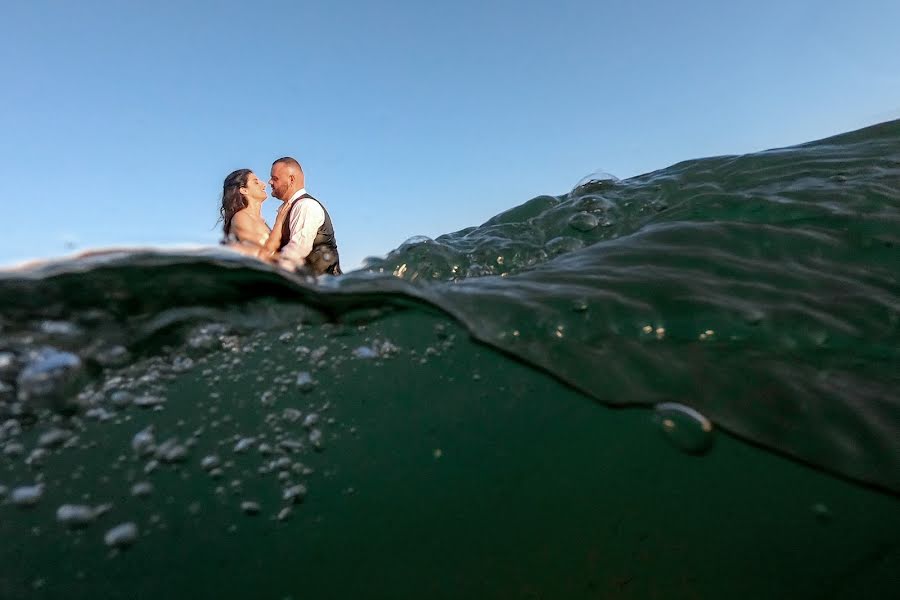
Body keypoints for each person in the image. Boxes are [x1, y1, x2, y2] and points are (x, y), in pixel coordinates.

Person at [269, 157, 342, 275]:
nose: (270, 182)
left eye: (274, 178)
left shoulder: (306, 206)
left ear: (291, 179)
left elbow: (297, 250)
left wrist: (267, 274)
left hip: (324, 288)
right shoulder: (288, 209)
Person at [218, 169, 289, 260]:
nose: (264, 185)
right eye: (256, 183)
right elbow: (263, 255)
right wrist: (279, 222)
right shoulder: (241, 217)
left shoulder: (262, 222)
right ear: (244, 190)